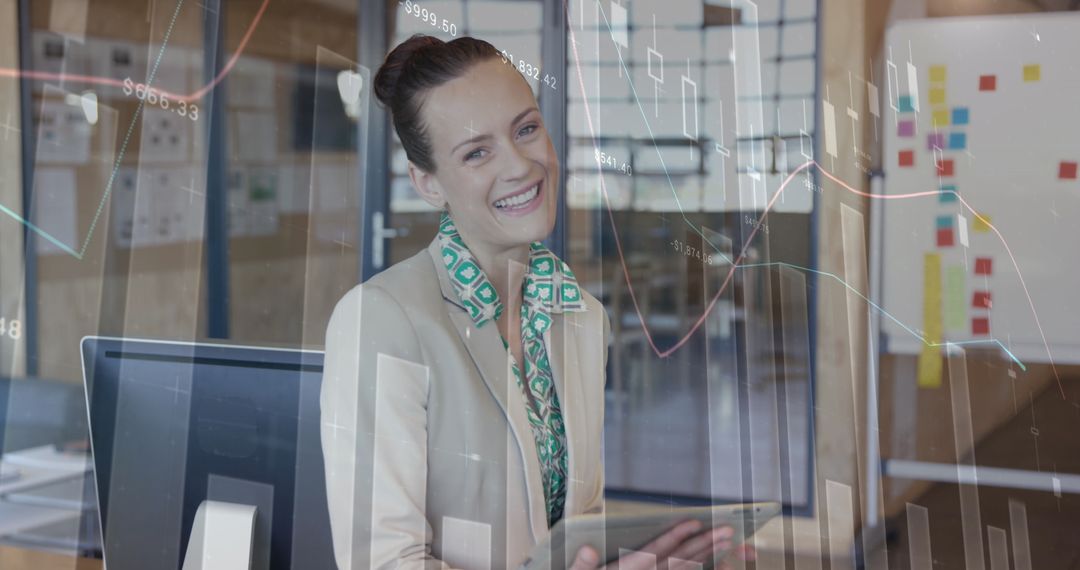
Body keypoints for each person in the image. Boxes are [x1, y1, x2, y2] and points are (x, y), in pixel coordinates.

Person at [320, 34, 754, 569]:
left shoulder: (582, 317)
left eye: (526, 129)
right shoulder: (382, 320)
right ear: (428, 184)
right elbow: (384, 562)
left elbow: (573, 530)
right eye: (477, 152)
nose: (521, 166)